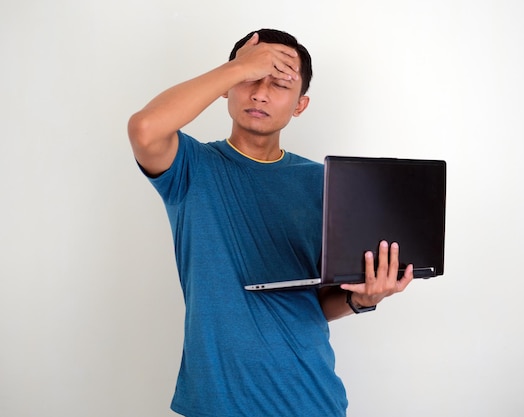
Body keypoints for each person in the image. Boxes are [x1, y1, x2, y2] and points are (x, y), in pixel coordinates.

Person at [128, 28, 413, 417]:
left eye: (279, 83)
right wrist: (237, 67)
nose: (260, 93)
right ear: (228, 86)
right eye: (249, 79)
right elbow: (145, 127)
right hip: (217, 404)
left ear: (300, 105)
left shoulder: (324, 184)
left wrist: (360, 299)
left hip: (312, 399)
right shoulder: (190, 167)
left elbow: (314, 300)